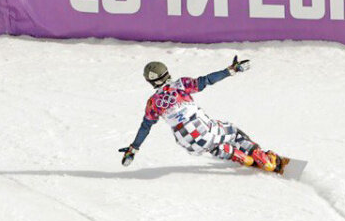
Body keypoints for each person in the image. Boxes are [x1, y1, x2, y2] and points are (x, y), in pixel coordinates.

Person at [119, 58, 287, 173]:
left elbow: (145, 126)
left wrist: (133, 148)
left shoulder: (153, 102)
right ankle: (264, 159)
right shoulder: (180, 84)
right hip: (201, 127)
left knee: (211, 145)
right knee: (233, 133)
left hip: (186, 141)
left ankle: (242, 158)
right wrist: (231, 70)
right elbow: (206, 80)